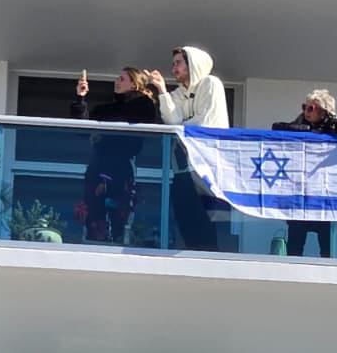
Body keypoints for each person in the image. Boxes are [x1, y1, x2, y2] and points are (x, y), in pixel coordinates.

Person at [272, 88, 337, 259]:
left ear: (324, 112)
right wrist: (308, 129)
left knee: (327, 249)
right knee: (295, 246)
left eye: (311, 108)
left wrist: (335, 123)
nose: (306, 112)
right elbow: (277, 128)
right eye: (305, 107)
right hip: (301, 195)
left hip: (328, 197)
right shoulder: (299, 127)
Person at [148, 45, 229, 249]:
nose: (174, 68)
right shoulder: (176, 94)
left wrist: (181, 127)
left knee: (210, 222)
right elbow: (171, 121)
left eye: (179, 63)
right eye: (173, 64)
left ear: (192, 63)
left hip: (208, 168)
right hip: (184, 168)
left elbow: (206, 123)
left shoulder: (211, 84)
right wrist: (162, 91)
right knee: (186, 219)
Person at [71, 68, 159, 244]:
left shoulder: (143, 105)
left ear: (134, 84)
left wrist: (147, 88)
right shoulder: (105, 109)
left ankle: (118, 243)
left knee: (119, 212)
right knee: (95, 214)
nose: (116, 81)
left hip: (120, 168)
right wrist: (81, 98)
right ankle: (93, 245)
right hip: (98, 166)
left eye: (122, 78)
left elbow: (146, 114)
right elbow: (81, 129)